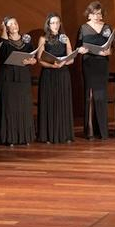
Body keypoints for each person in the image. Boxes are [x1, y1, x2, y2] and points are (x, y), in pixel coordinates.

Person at [0, 16, 37, 146]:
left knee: (23, 105)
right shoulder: (4, 40)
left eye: (15, 23)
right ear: (6, 28)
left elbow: (34, 58)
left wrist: (31, 61)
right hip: (8, 76)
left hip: (23, 75)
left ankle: (25, 136)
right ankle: (10, 137)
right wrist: (2, 30)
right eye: (10, 24)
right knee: (10, 106)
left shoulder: (26, 40)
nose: (14, 25)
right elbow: (2, 52)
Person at [76, 1, 113, 139]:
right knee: (90, 96)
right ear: (89, 14)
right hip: (89, 64)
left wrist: (107, 52)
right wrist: (81, 50)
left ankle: (102, 131)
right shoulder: (83, 28)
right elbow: (77, 47)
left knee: (101, 96)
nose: (96, 16)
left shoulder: (107, 28)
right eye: (94, 13)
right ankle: (90, 130)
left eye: (99, 13)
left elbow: (111, 48)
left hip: (102, 64)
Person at [37, 13, 75, 143]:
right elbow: (39, 60)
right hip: (48, 74)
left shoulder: (65, 38)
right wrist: (51, 65)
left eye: (57, 22)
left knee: (62, 103)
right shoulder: (43, 39)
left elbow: (71, 59)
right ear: (48, 24)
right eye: (52, 23)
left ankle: (64, 134)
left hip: (63, 73)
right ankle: (48, 135)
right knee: (50, 103)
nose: (55, 25)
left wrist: (63, 62)